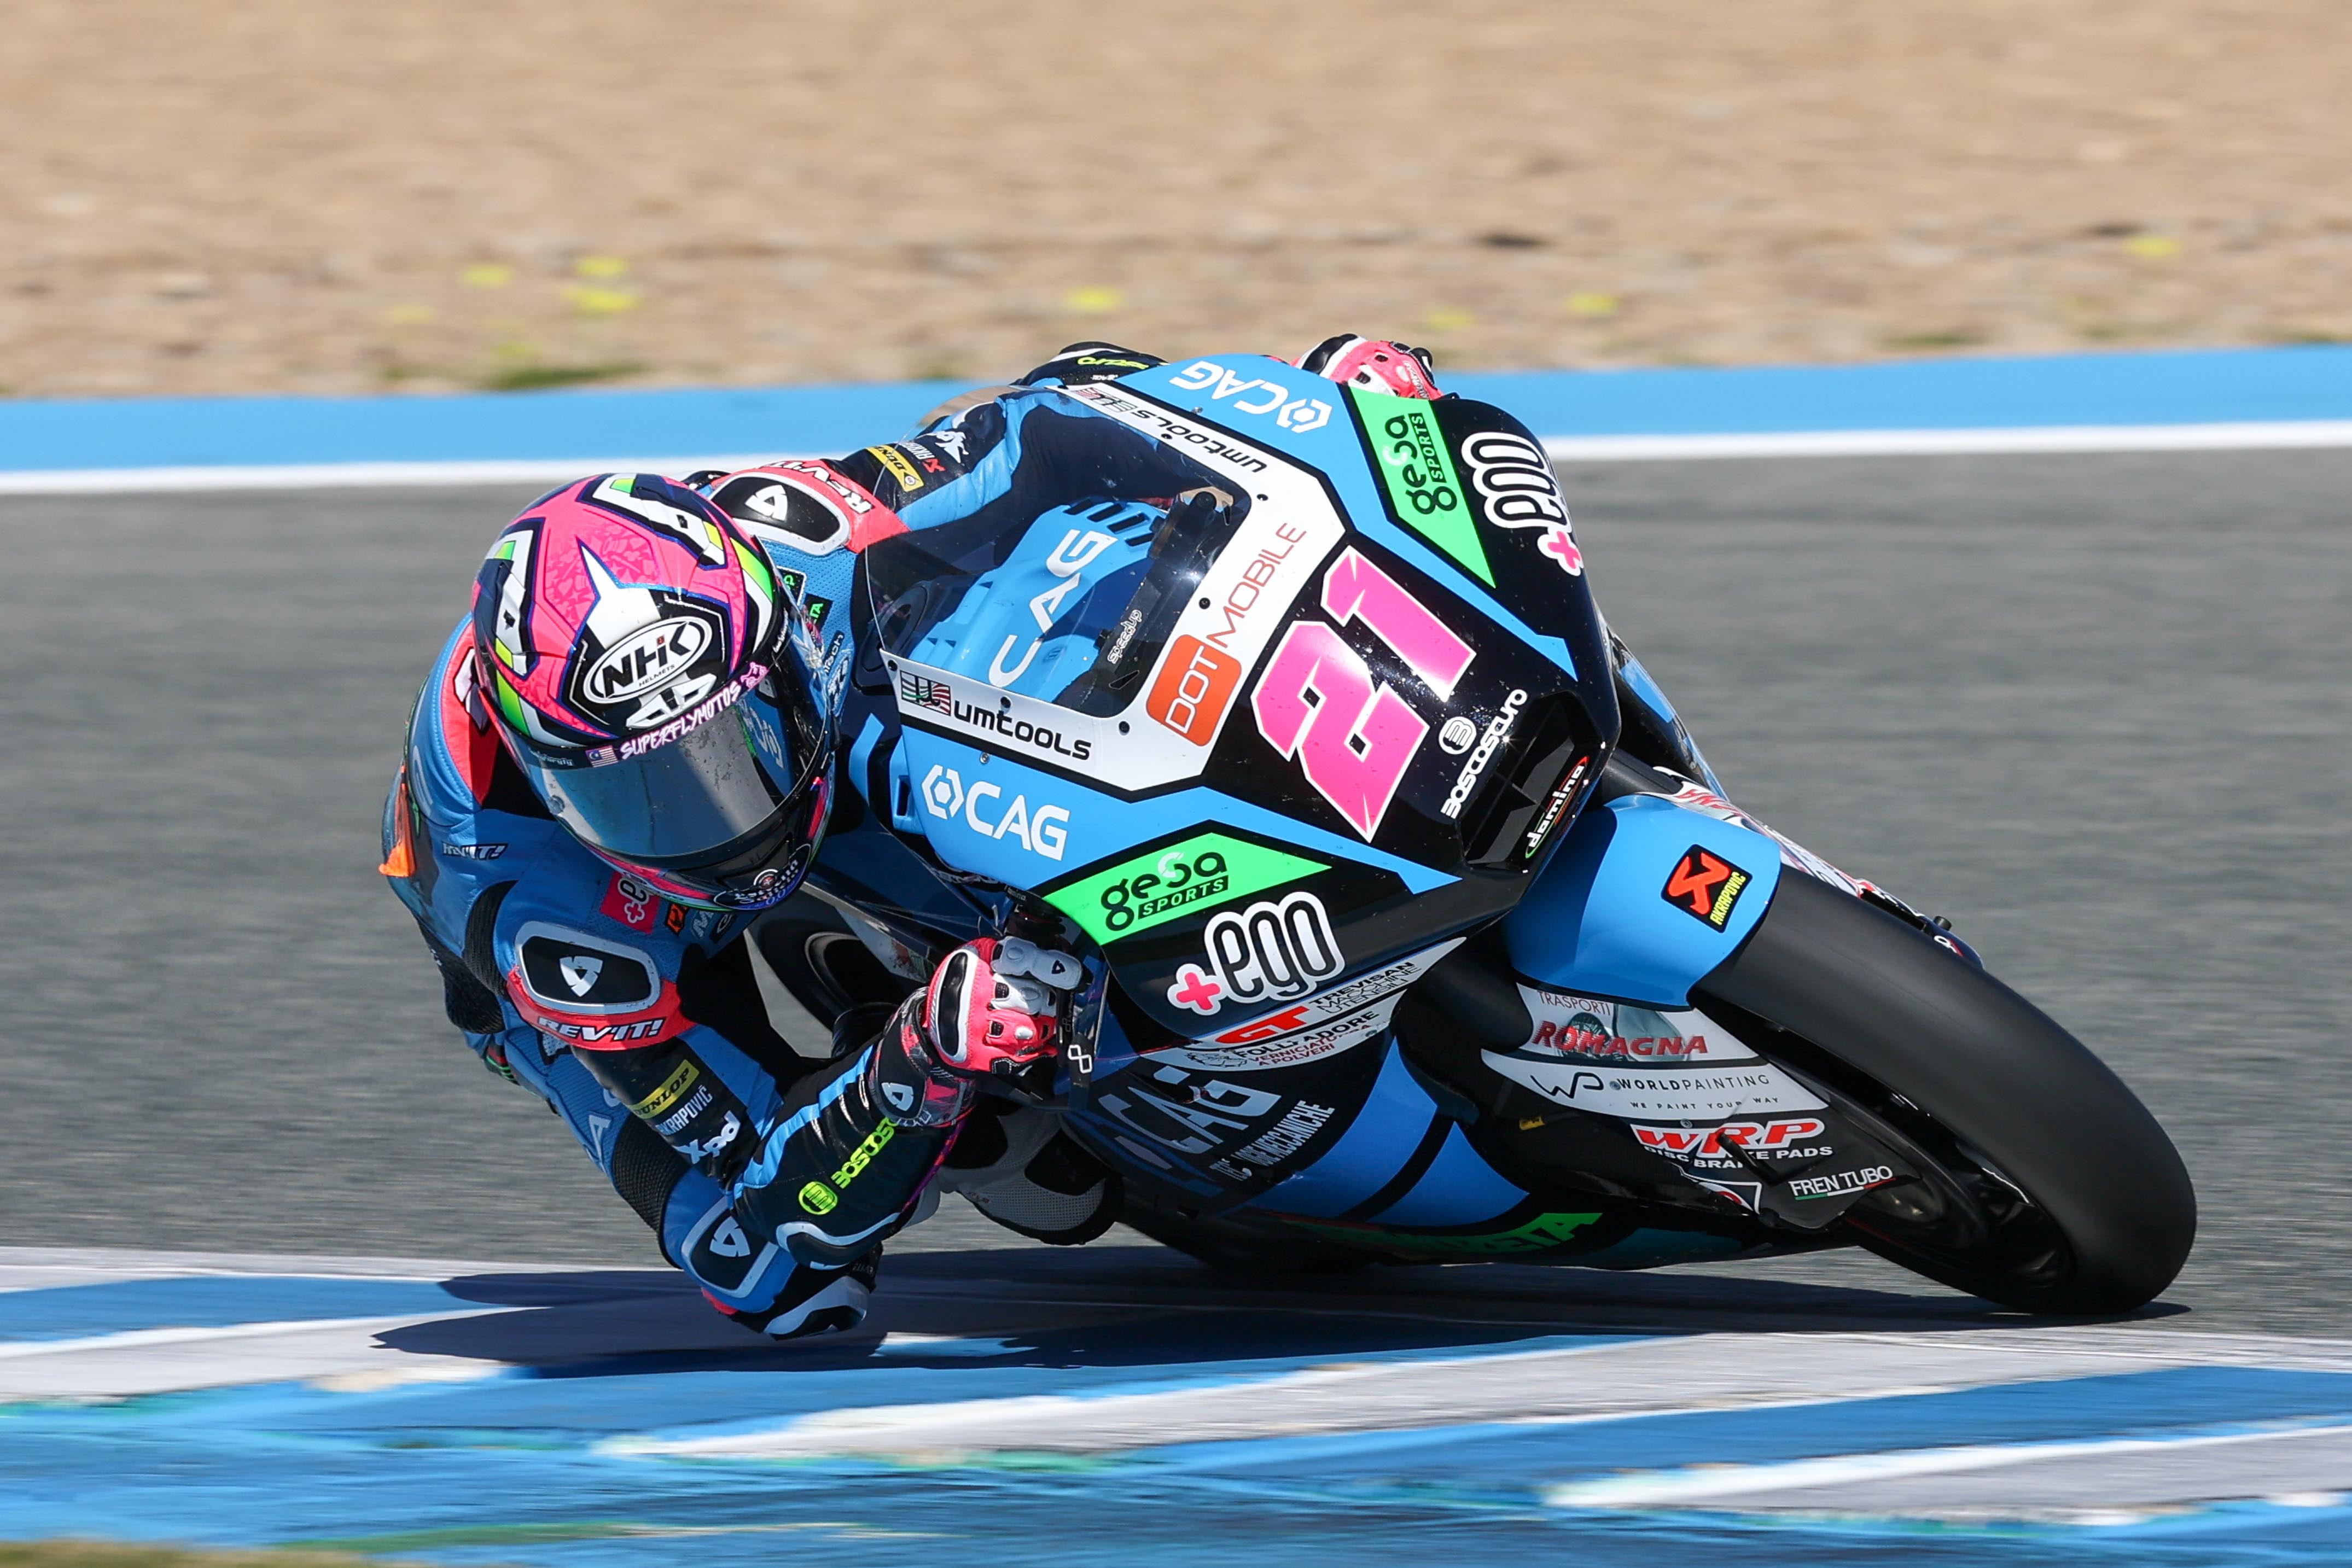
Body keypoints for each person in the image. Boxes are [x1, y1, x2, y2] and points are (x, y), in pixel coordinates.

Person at [379, 335, 1446, 1338]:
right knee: (775, 1280)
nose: (726, 817)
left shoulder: (803, 529)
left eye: (744, 743)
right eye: (656, 794)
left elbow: (1055, 413)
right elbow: (770, 1205)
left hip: (806, 717)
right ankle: (939, 1053)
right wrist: (918, 1064)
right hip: (598, 933)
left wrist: (1318, 412)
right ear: (561, 787)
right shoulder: (533, 904)